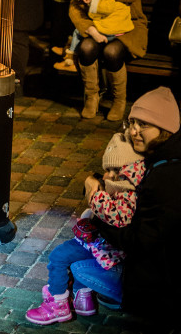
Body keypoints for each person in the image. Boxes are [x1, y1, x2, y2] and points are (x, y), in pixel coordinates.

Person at [25, 121, 146, 325]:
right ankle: (84, 302)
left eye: (111, 170)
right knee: (76, 259)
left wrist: (94, 194)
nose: (106, 175)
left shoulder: (128, 193)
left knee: (58, 257)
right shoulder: (126, 186)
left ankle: (58, 304)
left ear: (124, 170)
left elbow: (117, 217)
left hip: (105, 248)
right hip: (103, 246)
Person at [88, 87, 180, 330]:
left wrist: (97, 211)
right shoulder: (162, 158)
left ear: (165, 128)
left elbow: (140, 242)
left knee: (76, 264)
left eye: (144, 124)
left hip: (161, 288)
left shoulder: (165, 176)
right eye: (132, 123)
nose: (134, 131)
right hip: (159, 270)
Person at [69, 0, 147, 120]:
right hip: (97, 25)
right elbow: (75, 6)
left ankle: (118, 100)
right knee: (86, 47)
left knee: (111, 52)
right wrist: (89, 28)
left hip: (128, 27)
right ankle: (92, 97)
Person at [58, 0, 133, 73]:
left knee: (78, 32)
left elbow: (107, 7)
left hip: (112, 30)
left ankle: (71, 54)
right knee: (81, 35)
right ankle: (70, 52)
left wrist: (92, 1)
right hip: (109, 27)